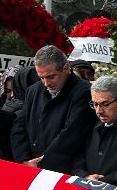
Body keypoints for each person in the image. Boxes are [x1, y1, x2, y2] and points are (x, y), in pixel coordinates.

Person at [11, 45, 96, 173]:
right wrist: (24, 160)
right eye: (41, 77)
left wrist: (39, 164)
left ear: (66, 69)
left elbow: (71, 135)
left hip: (63, 170)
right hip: (30, 166)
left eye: (51, 77)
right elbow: (19, 127)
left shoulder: (83, 91)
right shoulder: (33, 91)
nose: (46, 83)